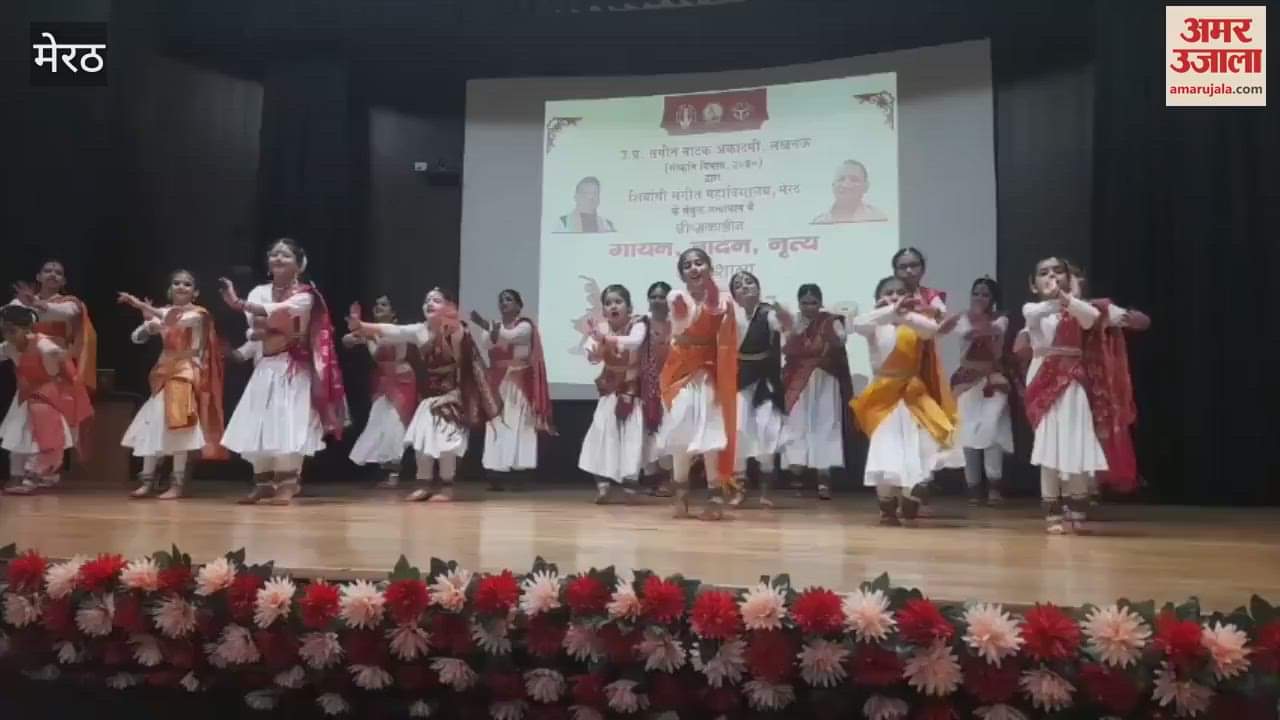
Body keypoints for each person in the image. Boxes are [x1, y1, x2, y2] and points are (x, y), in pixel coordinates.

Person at [218, 239, 349, 506]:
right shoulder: (258, 291)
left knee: (288, 423)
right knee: (259, 423)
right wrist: (260, 331)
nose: (277, 258)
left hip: (294, 369)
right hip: (266, 366)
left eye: (285, 255)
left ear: (299, 264)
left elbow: (277, 315)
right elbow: (257, 326)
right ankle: (263, 483)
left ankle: (288, 483)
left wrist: (239, 305)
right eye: (274, 254)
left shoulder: (307, 295)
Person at [349, 287, 500, 503]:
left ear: (449, 307)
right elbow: (392, 330)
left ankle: (446, 488)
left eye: (436, 300)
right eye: (427, 300)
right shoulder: (419, 331)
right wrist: (362, 326)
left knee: (446, 445)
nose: (430, 303)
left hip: (452, 397)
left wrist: (456, 396)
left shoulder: (457, 332)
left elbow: (466, 369)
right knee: (422, 443)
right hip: (429, 397)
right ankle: (423, 485)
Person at [1022, 257, 1136, 534]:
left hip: (1073, 379)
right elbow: (1035, 317)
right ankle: (1051, 511)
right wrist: (1057, 300)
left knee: (1077, 440)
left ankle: (1077, 507)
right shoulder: (1032, 308)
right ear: (1033, 283)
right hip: (1043, 377)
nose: (1051, 275)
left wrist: (1066, 298)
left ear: (1069, 278)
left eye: (1058, 271)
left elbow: (1091, 319)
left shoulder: (1078, 309)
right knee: (1048, 443)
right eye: (1043, 273)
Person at [851, 277, 956, 526]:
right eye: (889, 292)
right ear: (878, 296)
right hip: (882, 396)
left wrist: (906, 314)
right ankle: (887, 505)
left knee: (920, 444)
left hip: (911, 394)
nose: (895, 295)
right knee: (885, 450)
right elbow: (857, 324)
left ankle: (913, 492)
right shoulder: (874, 321)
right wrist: (888, 311)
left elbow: (931, 331)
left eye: (901, 292)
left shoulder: (915, 322)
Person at [117, 271, 226, 499]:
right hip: (163, 371)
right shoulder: (164, 312)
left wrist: (140, 306)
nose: (181, 287)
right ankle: (147, 480)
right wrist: (147, 325)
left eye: (187, 284)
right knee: (153, 423)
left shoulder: (199, 314)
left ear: (195, 292)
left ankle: (177, 482)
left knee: (179, 422)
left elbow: (173, 320)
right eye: (176, 283)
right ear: (170, 289)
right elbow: (136, 338)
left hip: (185, 369)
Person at [658, 248, 738, 520]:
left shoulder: (725, 299)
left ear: (709, 267)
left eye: (699, 263)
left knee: (709, 434)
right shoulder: (676, 297)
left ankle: (715, 497)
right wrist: (711, 300)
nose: (694, 268)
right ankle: (681, 495)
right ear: (682, 273)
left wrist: (715, 297)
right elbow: (688, 321)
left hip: (708, 373)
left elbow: (724, 332)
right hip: (679, 374)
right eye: (688, 265)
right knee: (681, 431)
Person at [578, 285, 660, 501]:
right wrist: (596, 346)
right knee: (601, 434)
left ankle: (630, 485)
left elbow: (635, 343)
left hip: (632, 390)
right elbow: (592, 356)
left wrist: (606, 341)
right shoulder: (602, 329)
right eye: (608, 303)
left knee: (632, 437)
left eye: (618, 301)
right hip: (609, 390)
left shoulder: (638, 324)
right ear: (604, 311)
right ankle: (603, 485)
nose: (613, 306)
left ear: (629, 306)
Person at [0, 305, 92, 495]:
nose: (8, 335)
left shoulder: (43, 345)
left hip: (47, 394)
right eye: (4, 330)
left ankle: (35, 473)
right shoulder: (8, 347)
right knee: (17, 435)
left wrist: (66, 352)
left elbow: (63, 355)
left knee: (47, 437)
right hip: (25, 394)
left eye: (12, 330)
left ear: (27, 329)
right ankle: (17, 475)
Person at [470, 289, 555, 491]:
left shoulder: (525, 326)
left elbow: (508, 337)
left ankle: (520, 473)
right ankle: (495, 472)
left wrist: (486, 325)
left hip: (518, 384)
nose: (504, 303)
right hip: (496, 384)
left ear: (518, 305)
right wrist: (489, 328)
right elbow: (487, 341)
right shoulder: (492, 328)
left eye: (509, 299)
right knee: (497, 427)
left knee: (520, 426)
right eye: (501, 300)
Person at [940, 277, 1012, 505]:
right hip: (967, 382)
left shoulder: (1001, 319)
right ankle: (973, 487)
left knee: (991, 434)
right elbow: (964, 335)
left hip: (992, 381)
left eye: (985, 294)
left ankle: (994, 486)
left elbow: (993, 333)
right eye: (976, 293)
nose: (979, 298)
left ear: (993, 299)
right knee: (967, 435)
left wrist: (975, 320)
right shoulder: (962, 320)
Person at [779, 283, 853, 501]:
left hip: (825, 380)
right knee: (796, 426)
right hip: (798, 382)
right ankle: (797, 476)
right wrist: (795, 331)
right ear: (799, 303)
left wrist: (833, 332)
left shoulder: (831, 321)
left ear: (820, 303)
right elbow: (785, 348)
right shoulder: (792, 323)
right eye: (804, 303)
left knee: (826, 425)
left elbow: (841, 341)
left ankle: (824, 479)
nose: (809, 307)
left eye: (813, 302)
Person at [343, 295, 415, 488]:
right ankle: (386, 471)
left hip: (401, 381)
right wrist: (356, 331)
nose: (378, 308)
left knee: (394, 425)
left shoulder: (398, 331)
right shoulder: (372, 332)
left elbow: (380, 346)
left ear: (394, 313)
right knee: (378, 423)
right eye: (376, 304)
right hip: (383, 382)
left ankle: (394, 475)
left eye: (384, 305)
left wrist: (361, 330)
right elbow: (346, 341)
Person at [727, 271, 786, 506]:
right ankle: (738, 486)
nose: (745, 287)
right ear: (735, 296)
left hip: (766, 380)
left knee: (767, 430)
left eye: (749, 282)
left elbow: (782, 326)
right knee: (739, 430)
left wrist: (785, 318)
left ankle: (766, 489)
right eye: (739, 286)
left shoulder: (768, 313)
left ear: (758, 287)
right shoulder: (733, 318)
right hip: (740, 380)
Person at [8, 259, 98, 395]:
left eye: (58, 273)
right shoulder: (21, 301)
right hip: (30, 365)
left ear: (63, 281)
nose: (52, 274)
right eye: (48, 271)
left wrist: (36, 305)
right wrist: (30, 304)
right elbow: (7, 315)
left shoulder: (71, 303)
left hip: (60, 366)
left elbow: (64, 313)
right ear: (38, 277)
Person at [641, 281, 674, 496]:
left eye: (662, 296)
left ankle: (670, 480)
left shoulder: (679, 322)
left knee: (669, 434)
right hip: (646, 387)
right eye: (653, 296)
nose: (657, 300)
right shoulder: (641, 324)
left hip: (672, 386)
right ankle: (652, 480)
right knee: (647, 434)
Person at [811, 160, 887, 224]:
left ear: (866, 187)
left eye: (854, 179)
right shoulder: (819, 221)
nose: (846, 185)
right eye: (841, 179)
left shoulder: (877, 217)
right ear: (833, 186)